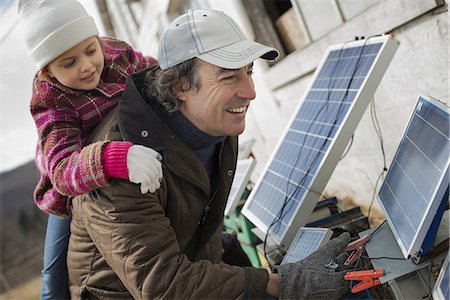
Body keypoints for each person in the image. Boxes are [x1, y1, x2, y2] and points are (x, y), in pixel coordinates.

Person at [67, 8, 351, 299]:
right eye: (229, 77)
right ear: (181, 86)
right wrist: (281, 283)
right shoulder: (123, 166)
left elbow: (192, 225)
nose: (250, 91)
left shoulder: (214, 123)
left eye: (249, 71)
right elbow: (162, 285)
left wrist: (243, 266)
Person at [18, 0, 163, 299]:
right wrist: (114, 158)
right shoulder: (50, 98)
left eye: (90, 50)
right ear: (48, 70)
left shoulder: (116, 54)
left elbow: (155, 75)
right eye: (68, 63)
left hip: (130, 142)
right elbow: (61, 171)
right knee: (55, 268)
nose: (86, 66)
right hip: (74, 179)